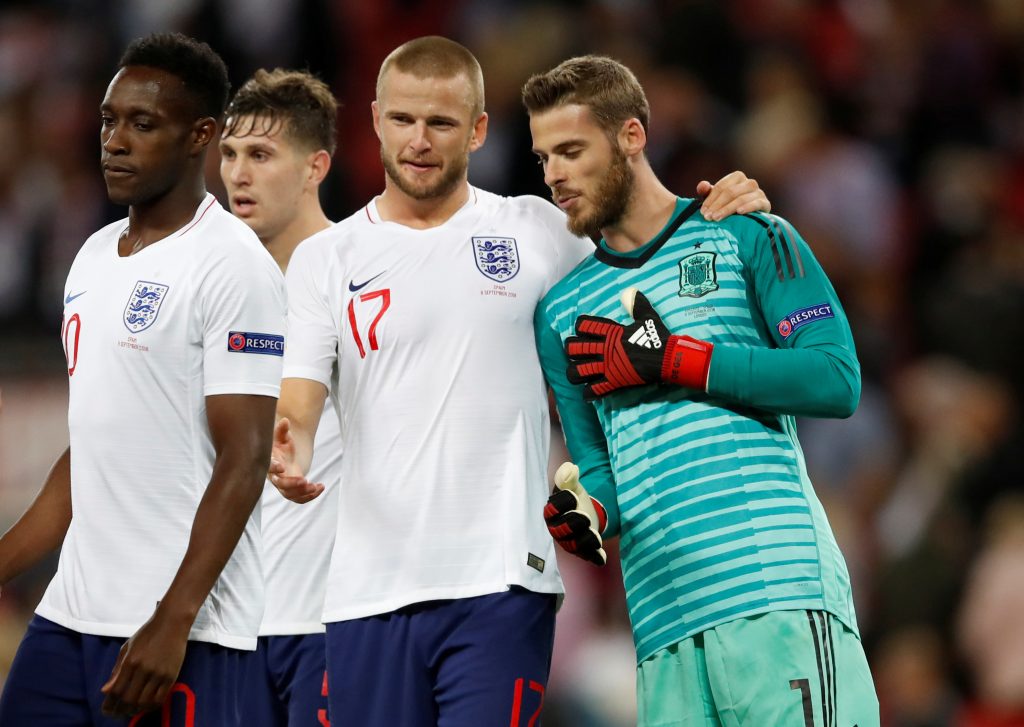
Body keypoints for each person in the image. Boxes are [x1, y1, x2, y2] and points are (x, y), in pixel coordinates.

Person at [268, 35, 770, 727]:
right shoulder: (324, 259)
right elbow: (299, 400)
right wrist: (288, 447)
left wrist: (719, 210)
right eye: (403, 119)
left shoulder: (539, 231)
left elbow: (649, 262)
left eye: (441, 122)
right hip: (364, 591)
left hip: (501, 581)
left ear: (478, 129)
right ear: (376, 119)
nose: (419, 140)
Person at [525, 55, 880, 726]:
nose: (554, 176)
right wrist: (587, 512)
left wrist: (677, 359)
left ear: (631, 136)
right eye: (543, 158)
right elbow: (597, 463)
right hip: (662, 627)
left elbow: (834, 377)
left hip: (775, 593)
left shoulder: (746, 231)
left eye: (571, 151)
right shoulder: (562, 313)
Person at [0, 33, 286, 724]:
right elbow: (91, 455)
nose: (115, 141)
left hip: (178, 631)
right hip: (69, 618)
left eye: (142, 124)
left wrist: (173, 619)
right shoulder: (93, 256)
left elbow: (245, 457)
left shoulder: (232, 265)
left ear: (201, 136)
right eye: (108, 120)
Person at [218, 67, 341, 727]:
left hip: (330, 620)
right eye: (230, 153)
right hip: (229, 628)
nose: (238, 174)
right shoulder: (214, 291)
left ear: (315, 166)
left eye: (261, 155)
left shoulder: (363, 273)